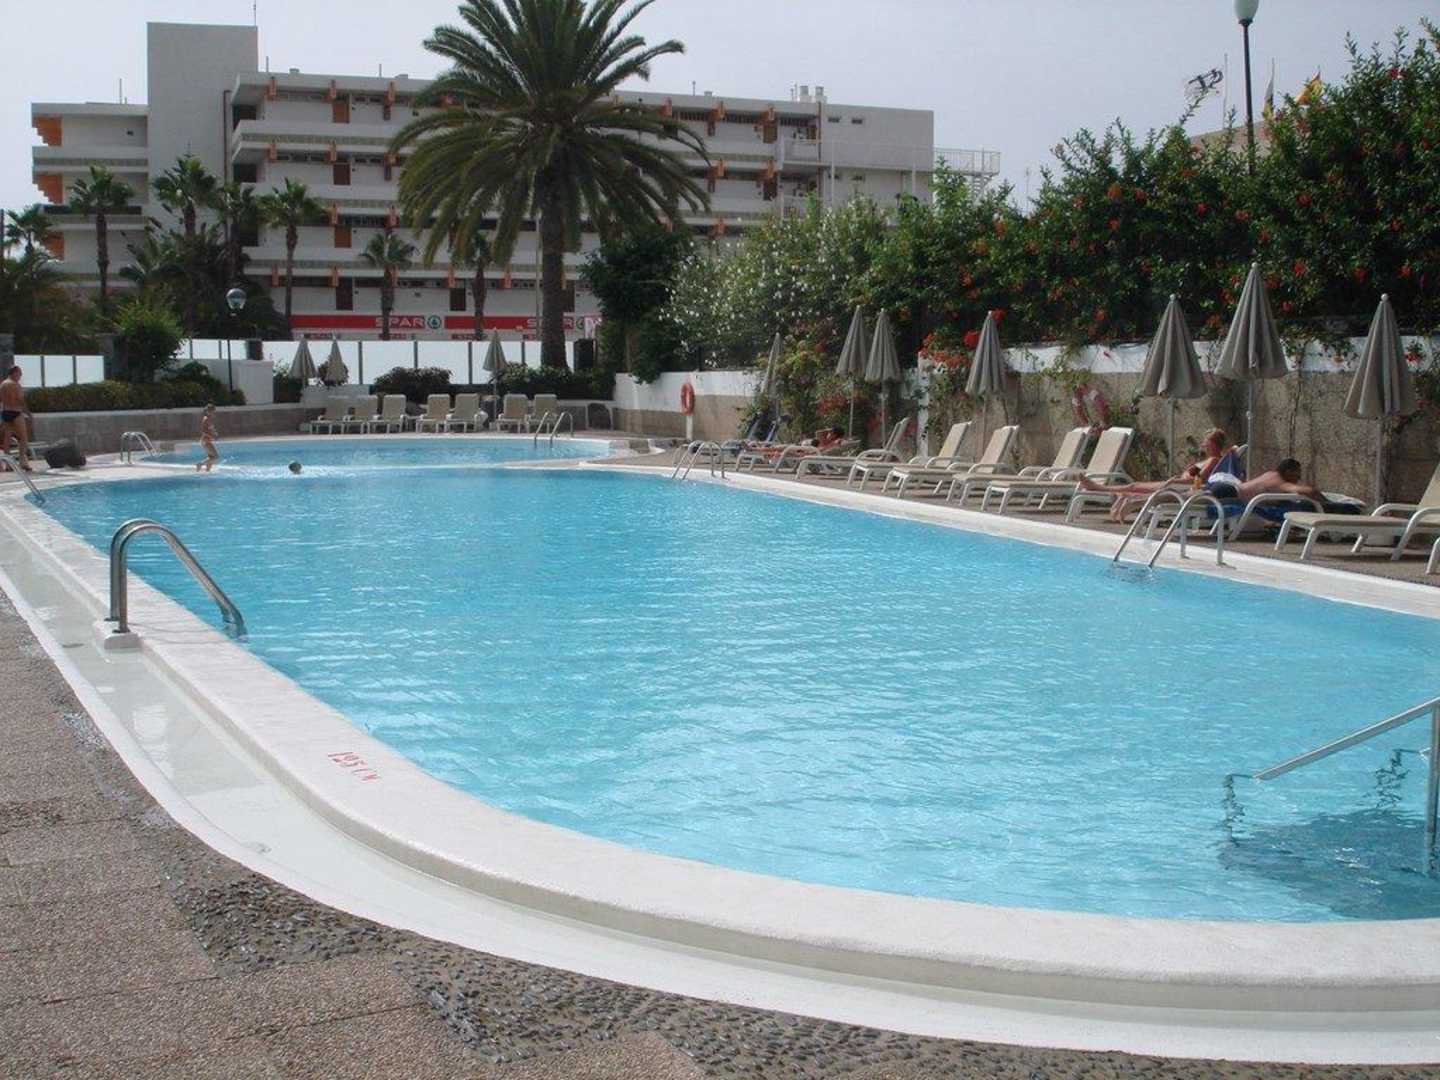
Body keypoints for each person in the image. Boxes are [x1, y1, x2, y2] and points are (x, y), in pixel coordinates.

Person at [1080, 428, 1231, 522]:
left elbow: (1199, 480)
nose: (1203, 444)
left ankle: (1098, 488)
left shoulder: (1213, 460)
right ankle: (1117, 494)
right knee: (1134, 486)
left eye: (1206, 442)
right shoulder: (1207, 460)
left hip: (1178, 487)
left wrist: (1175, 481)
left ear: (1213, 444)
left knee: (1134, 486)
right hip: (1176, 485)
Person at [1232, 458, 1326, 504]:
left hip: (1232, 489)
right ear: (1288, 472)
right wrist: (1327, 503)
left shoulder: (1269, 474)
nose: (1298, 479)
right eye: (1298, 476)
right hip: (1234, 499)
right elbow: (1310, 491)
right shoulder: (1280, 482)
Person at [0, 365, 32, 471]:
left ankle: (7, 464)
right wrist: (28, 413)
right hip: (16, 412)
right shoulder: (15, 385)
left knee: (7, 438)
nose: (20, 375)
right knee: (23, 438)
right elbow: (20, 400)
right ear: (14, 373)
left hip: (5, 411)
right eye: (19, 373)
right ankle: (23, 461)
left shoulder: (3, 384)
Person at [195, 404, 219, 472]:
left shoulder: (209, 419)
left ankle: (207, 471)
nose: (214, 413)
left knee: (211, 457)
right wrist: (212, 436)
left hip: (207, 440)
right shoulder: (206, 419)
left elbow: (210, 429)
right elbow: (203, 432)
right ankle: (200, 464)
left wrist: (215, 433)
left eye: (214, 411)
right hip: (205, 440)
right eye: (213, 411)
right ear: (209, 411)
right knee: (216, 456)